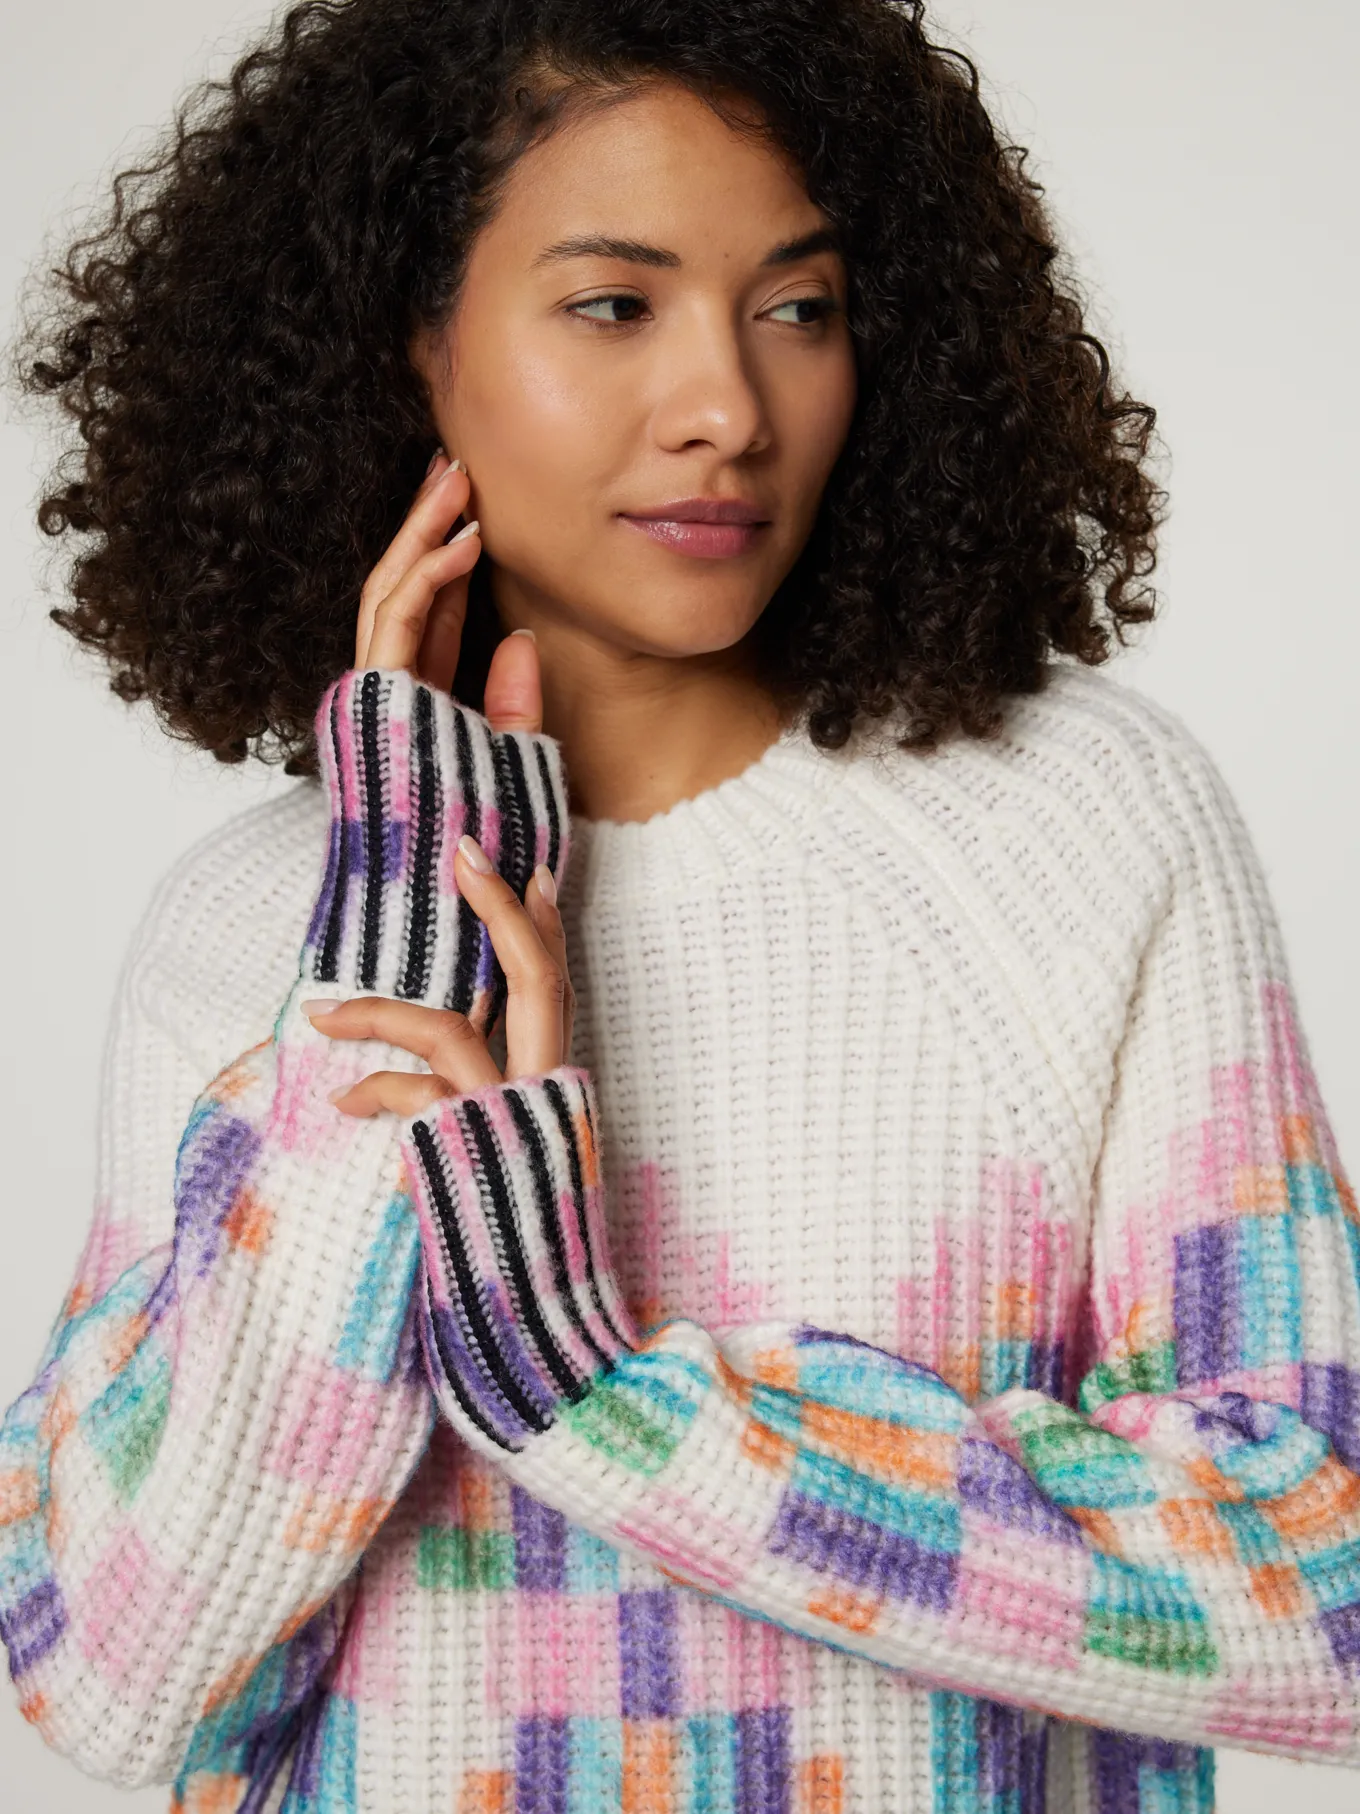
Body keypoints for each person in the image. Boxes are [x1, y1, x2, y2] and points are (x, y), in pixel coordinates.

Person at [2, 0, 1357, 1808]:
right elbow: (118, 1685)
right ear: (416, 348)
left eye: (797, 308)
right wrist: (396, 938)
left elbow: (1320, 1575)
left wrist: (600, 1392)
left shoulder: (1079, 829)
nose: (727, 406)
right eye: (614, 306)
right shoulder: (250, 927)